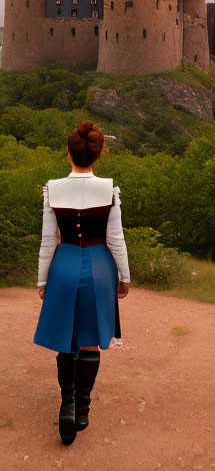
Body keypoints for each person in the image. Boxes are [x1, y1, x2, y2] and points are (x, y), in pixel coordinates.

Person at [33, 120, 130, 445]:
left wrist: (42, 279)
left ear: (69, 151)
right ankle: (84, 407)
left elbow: (49, 241)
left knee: (67, 339)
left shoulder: (53, 188)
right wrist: (124, 276)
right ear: (99, 152)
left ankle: (67, 403)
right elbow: (115, 239)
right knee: (89, 341)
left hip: (64, 265)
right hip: (101, 265)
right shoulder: (109, 189)